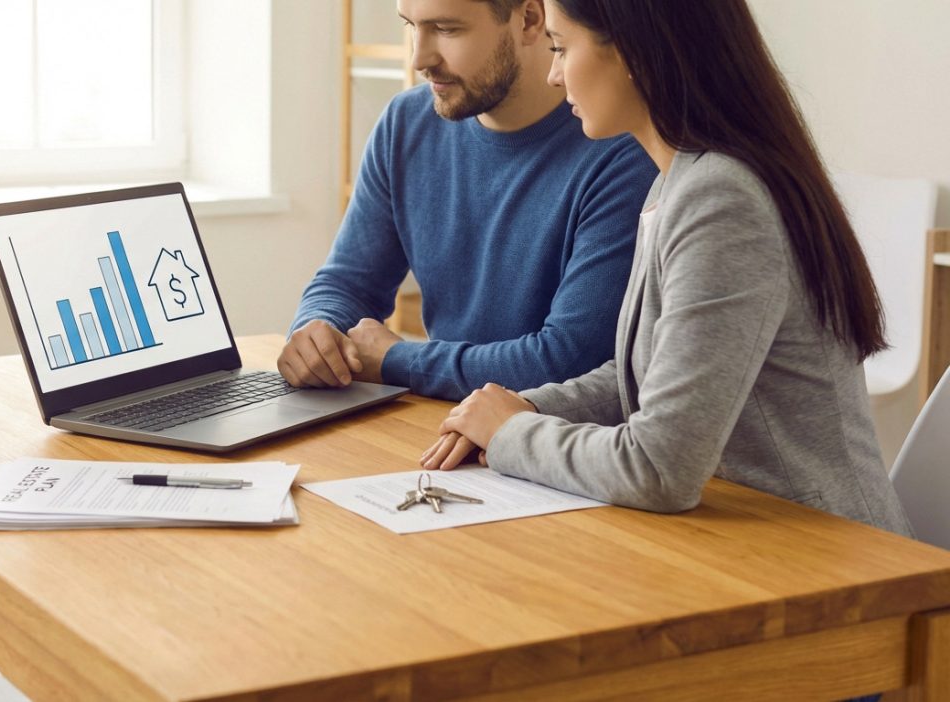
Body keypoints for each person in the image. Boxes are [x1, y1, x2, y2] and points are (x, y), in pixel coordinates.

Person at [421, 0, 912, 541]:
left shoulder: (722, 197)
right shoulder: (678, 180)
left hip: (831, 556)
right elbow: (648, 371)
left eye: (561, 48)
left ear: (631, 51)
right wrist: (530, 405)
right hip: (742, 532)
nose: (554, 73)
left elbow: (659, 468)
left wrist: (513, 433)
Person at [278, 0, 657, 401]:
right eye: (411, 26)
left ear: (529, 20)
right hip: (441, 427)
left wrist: (396, 360)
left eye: (446, 29)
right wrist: (318, 332)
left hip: (541, 441)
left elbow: (569, 360)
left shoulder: (621, 150)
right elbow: (347, 283)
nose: (418, 58)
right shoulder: (405, 123)